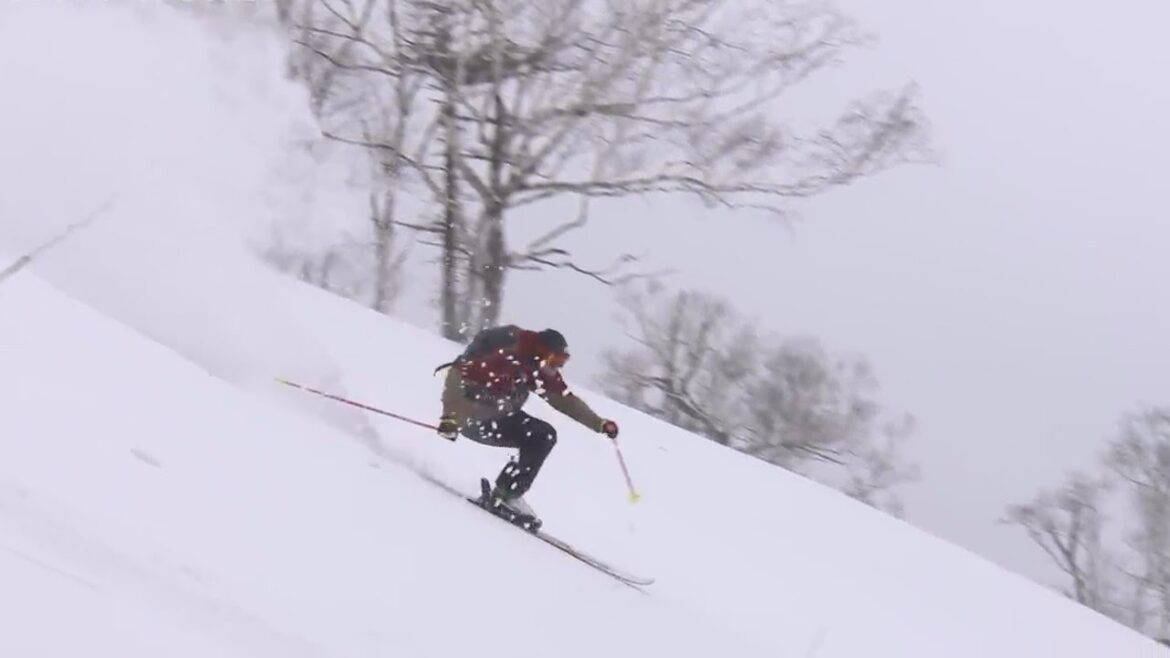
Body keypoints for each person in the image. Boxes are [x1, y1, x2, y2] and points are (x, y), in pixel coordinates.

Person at [434, 325, 619, 520]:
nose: (558, 366)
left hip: (500, 417)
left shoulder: (537, 367)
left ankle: (507, 493)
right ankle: (507, 494)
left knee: (542, 436)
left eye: (562, 361)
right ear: (542, 352)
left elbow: (564, 400)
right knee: (538, 435)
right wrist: (452, 418)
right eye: (556, 360)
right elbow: (457, 375)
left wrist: (599, 423)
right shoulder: (506, 355)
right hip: (473, 417)